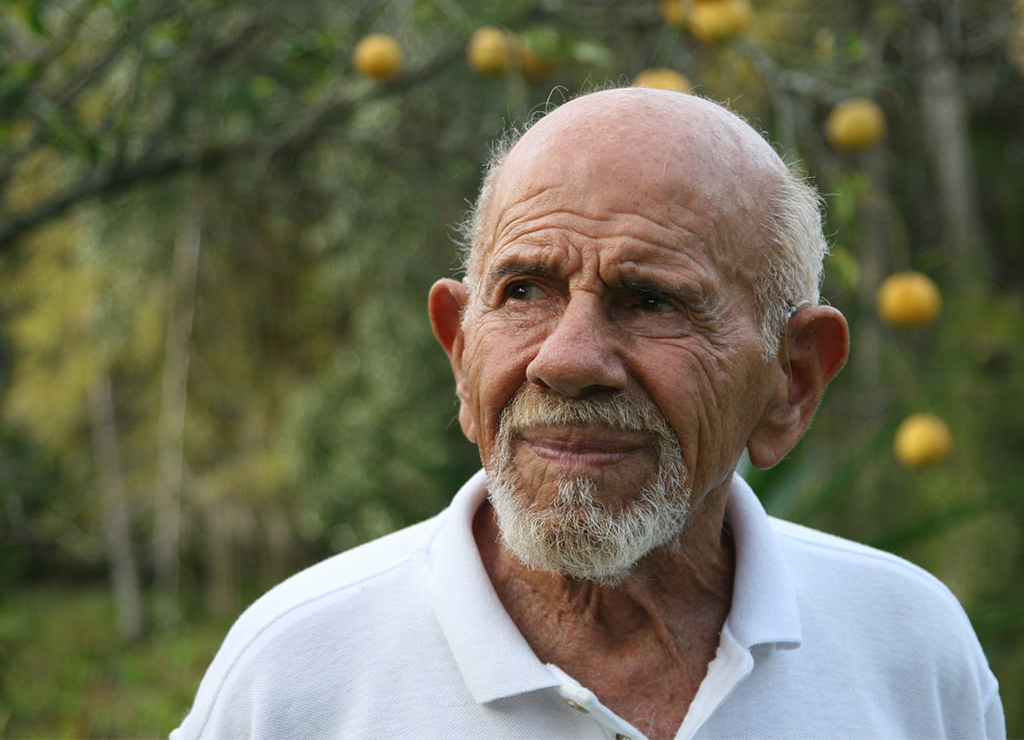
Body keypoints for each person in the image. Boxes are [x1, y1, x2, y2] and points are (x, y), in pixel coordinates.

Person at [171, 88, 1004, 740]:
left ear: (791, 381)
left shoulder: (909, 647)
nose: (566, 361)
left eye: (652, 301)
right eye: (524, 290)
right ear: (461, 353)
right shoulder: (294, 674)